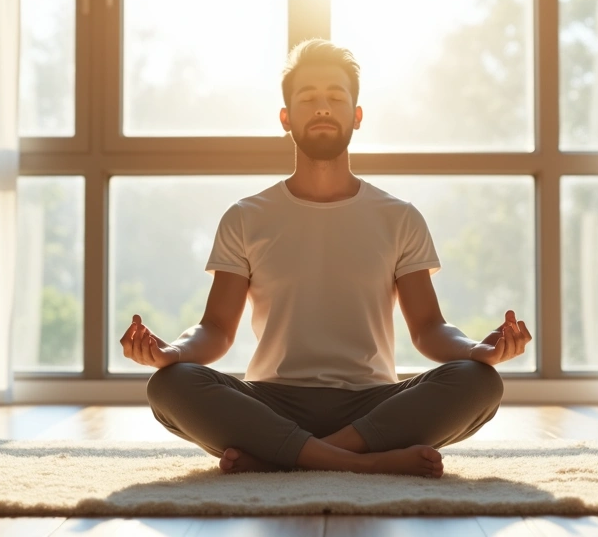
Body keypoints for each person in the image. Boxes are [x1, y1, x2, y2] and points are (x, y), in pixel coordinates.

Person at [119, 39, 532, 478]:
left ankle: (289, 458)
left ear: (356, 116)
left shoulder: (400, 217)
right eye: (307, 98)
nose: (321, 108)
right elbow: (216, 330)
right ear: (286, 118)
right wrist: (171, 351)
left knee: (479, 382)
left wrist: (477, 349)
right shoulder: (245, 217)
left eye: (335, 97)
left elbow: (428, 329)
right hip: (272, 401)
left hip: (373, 405)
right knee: (170, 385)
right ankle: (365, 463)